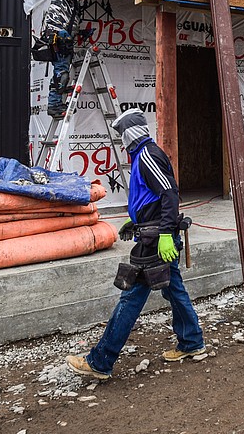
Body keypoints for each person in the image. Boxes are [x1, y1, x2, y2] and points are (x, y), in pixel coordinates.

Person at [66, 110, 204, 379]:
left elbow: (169, 194)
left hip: (155, 241)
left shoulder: (147, 156)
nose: (121, 142)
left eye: (121, 136)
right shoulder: (144, 155)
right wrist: (137, 223)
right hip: (153, 234)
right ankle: (192, 342)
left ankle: (100, 361)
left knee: (130, 297)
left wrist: (164, 233)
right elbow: (153, 197)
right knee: (173, 290)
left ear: (129, 134)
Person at [41, 0, 96, 118]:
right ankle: (54, 105)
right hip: (57, 36)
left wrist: (81, 33)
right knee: (61, 74)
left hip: (66, 40)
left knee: (61, 73)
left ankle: (56, 103)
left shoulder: (76, 8)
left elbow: (72, 25)